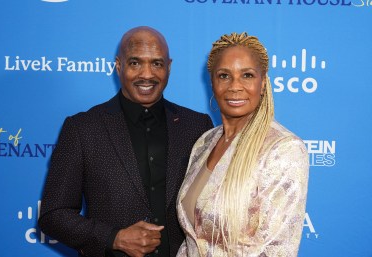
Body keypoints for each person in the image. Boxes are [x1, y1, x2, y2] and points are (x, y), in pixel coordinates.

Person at [38, 26, 213, 257]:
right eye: (135, 63)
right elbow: (54, 214)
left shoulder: (197, 126)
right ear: (119, 66)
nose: (147, 74)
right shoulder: (83, 129)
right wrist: (114, 238)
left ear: (169, 68)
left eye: (157, 63)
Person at [176, 32, 309, 257]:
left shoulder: (283, 149)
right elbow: (193, 240)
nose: (235, 86)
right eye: (224, 76)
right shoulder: (204, 143)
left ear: (263, 83)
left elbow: (277, 250)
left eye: (247, 75)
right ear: (212, 83)